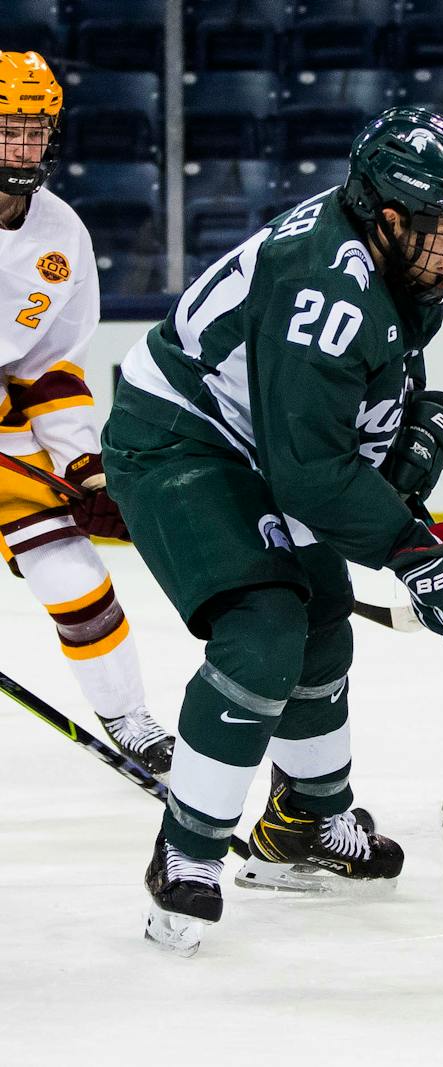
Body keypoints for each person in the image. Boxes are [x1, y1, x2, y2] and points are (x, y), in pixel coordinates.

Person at [102, 106, 443, 955]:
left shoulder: (384, 256)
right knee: (263, 633)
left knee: (322, 614)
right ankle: (187, 852)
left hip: (252, 438)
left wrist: (402, 451)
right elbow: (310, 475)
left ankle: (303, 825)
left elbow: (333, 430)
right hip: (178, 437)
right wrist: (419, 554)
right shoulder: (327, 286)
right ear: (390, 216)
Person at [0, 51, 173, 776]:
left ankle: (128, 714)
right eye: (10, 128)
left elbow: (48, 367)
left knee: (77, 579)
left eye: (38, 130)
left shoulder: (61, 234)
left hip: (9, 442)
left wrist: (82, 464)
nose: (27, 145)